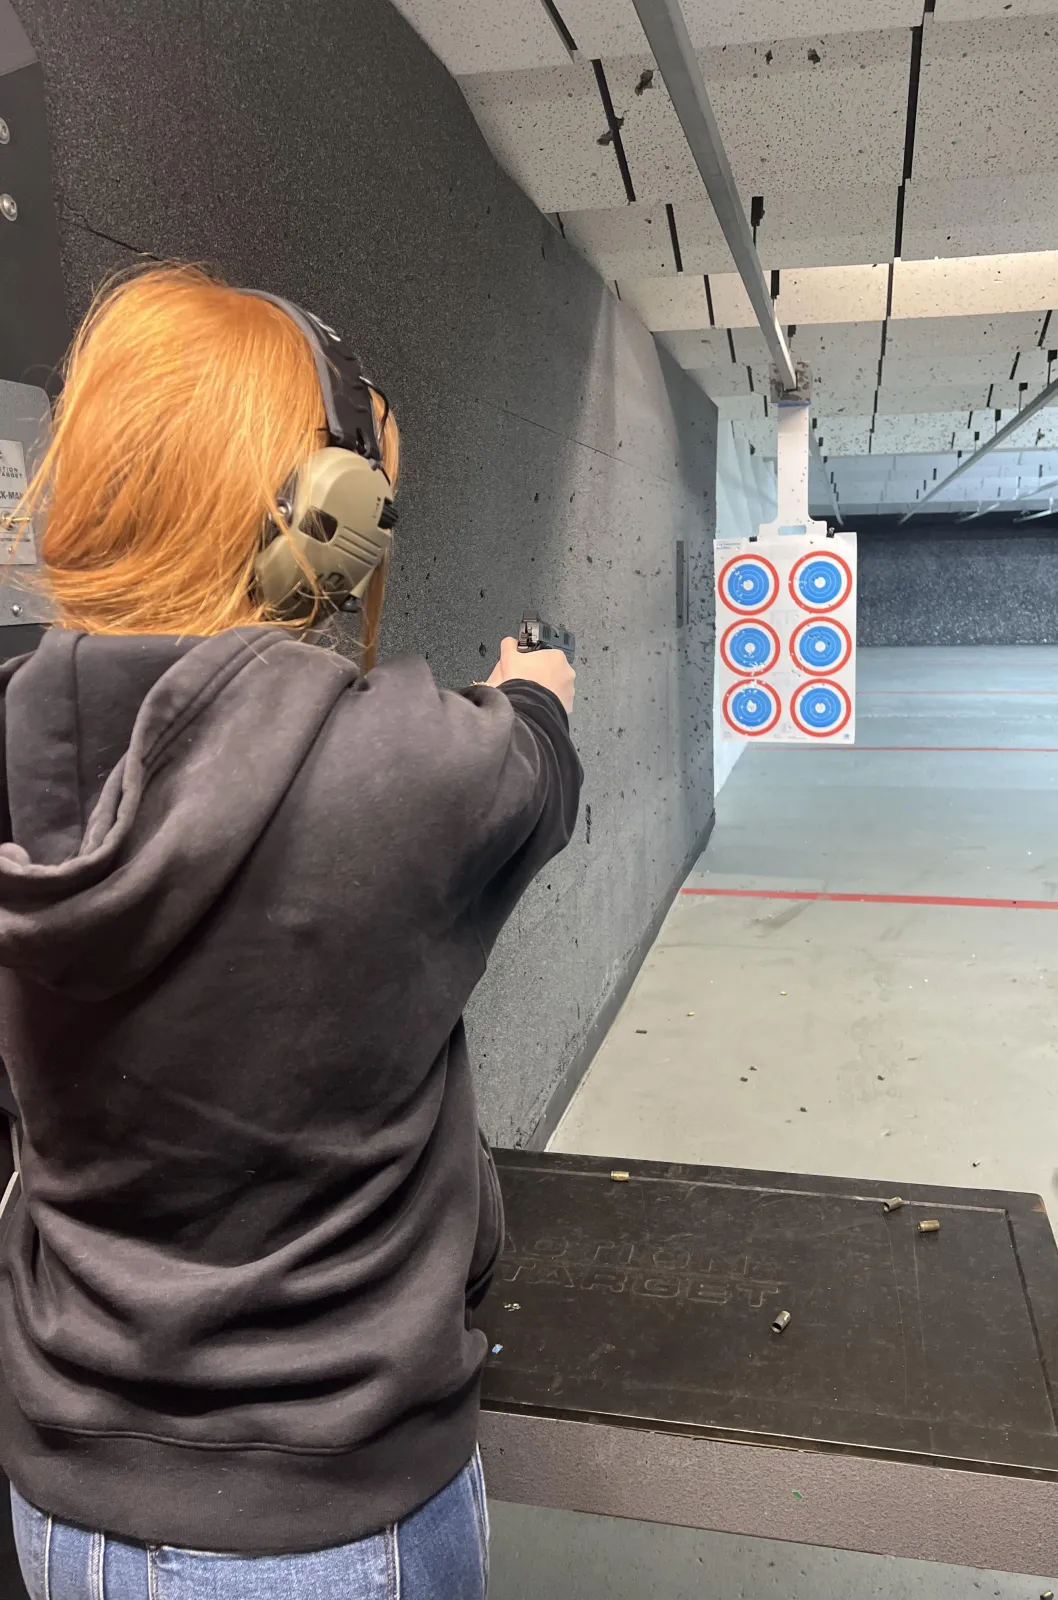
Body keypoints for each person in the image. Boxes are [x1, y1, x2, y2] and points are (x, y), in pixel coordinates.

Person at [0, 264, 581, 1599]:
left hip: (65, 1502)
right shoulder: (410, 766)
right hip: (332, 1511)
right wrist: (536, 685)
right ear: (329, 521)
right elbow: (536, 769)